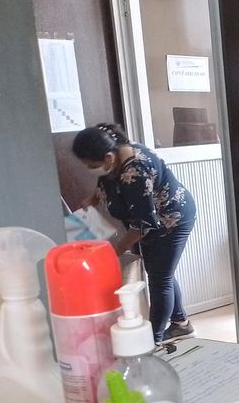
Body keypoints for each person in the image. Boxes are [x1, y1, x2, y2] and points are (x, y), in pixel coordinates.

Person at [73, 123, 197, 345]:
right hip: (151, 223)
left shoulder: (136, 170)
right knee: (160, 273)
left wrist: (115, 251)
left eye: (92, 166)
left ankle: (153, 341)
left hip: (172, 219)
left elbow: (143, 225)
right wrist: (93, 198)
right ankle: (181, 324)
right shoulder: (116, 155)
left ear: (108, 157)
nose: (91, 170)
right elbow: (107, 182)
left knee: (160, 280)